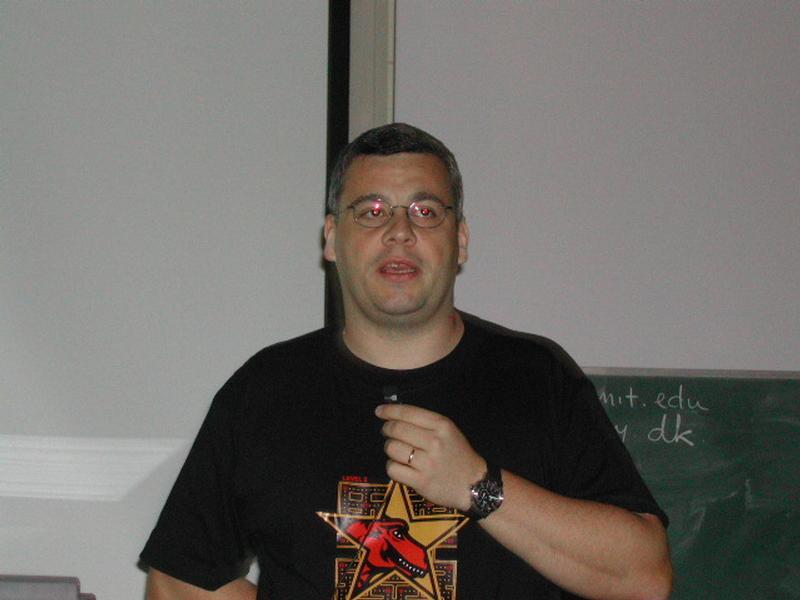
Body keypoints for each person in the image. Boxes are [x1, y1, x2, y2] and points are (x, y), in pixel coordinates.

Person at [141, 123, 673, 599]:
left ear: (460, 240)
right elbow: (178, 580)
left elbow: (643, 577)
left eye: (426, 211)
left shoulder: (537, 377)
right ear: (332, 239)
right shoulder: (265, 390)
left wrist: (478, 487)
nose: (400, 231)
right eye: (372, 211)